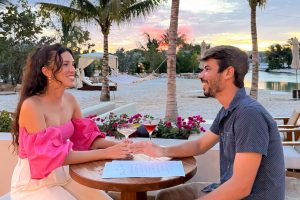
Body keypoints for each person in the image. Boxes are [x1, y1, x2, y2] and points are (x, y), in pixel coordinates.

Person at [131, 45, 285, 200]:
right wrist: (161, 151)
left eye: (207, 69)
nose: (200, 75)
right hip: (229, 188)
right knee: (166, 196)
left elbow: (240, 187)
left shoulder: (248, 115)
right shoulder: (228, 110)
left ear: (228, 73)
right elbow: (200, 145)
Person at [10, 44, 132, 200]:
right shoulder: (32, 106)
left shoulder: (70, 100)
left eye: (72, 64)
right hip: (35, 184)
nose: (73, 69)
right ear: (46, 71)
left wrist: (121, 146)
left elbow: (86, 139)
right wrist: (106, 153)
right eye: (65, 64)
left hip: (65, 175)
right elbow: (49, 156)